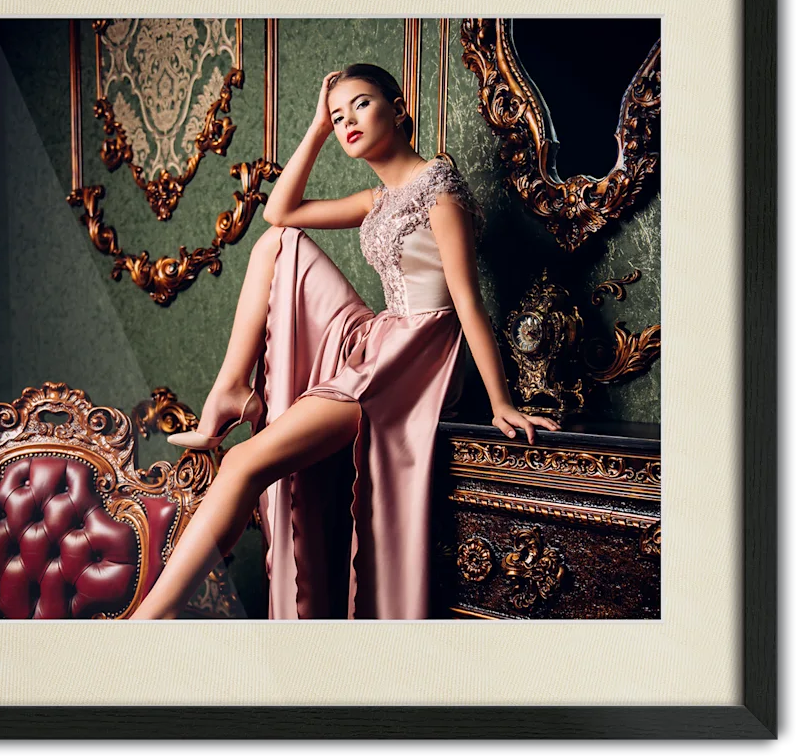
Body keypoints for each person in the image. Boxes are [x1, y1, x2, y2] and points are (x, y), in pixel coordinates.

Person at [129, 63, 559, 621]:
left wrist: (502, 403)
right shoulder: (377, 200)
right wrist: (315, 127)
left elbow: (469, 304)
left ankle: (147, 623)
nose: (346, 121)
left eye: (359, 104)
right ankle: (234, 388)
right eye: (338, 115)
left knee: (239, 464)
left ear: (399, 107)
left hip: (418, 358)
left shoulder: (441, 192)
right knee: (278, 242)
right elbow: (279, 212)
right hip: (382, 338)